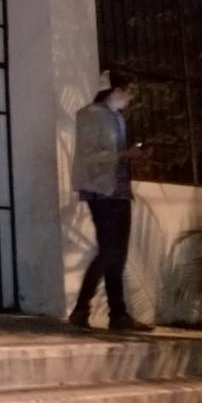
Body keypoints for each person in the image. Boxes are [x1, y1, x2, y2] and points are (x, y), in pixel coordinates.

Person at [68, 69, 153, 332]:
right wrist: (123, 155)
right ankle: (83, 308)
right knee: (110, 251)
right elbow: (88, 156)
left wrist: (127, 157)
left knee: (117, 253)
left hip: (118, 191)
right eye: (127, 91)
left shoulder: (116, 117)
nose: (130, 97)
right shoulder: (90, 114)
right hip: (101, 190)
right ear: (115, 90)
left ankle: (117, 314)